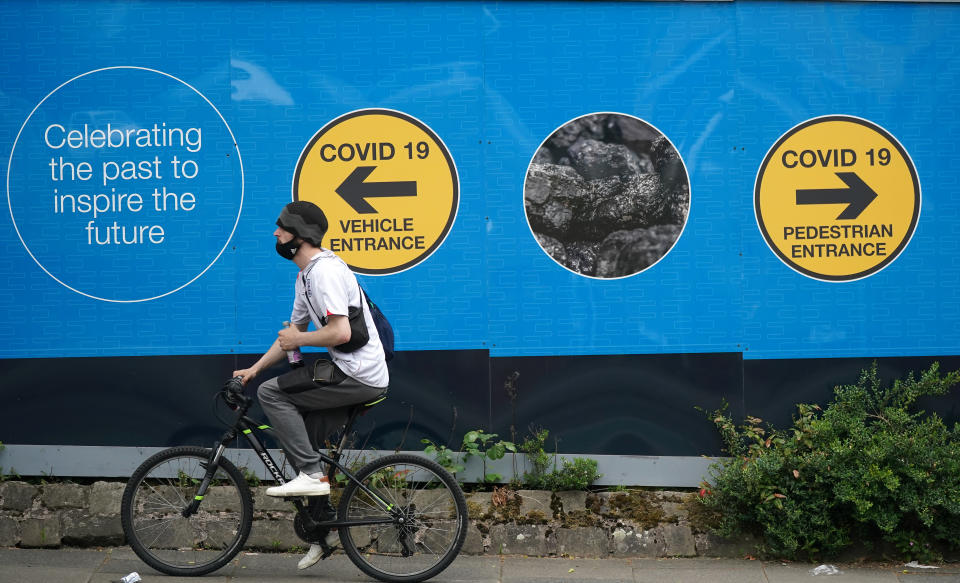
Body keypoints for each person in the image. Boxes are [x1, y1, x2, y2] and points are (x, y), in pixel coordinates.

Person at [232, 200, 389, 569]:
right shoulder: (305, 276)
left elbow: (340, 331)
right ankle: (323, 532)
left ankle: (313, 476)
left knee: (273, 394)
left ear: (300, 237)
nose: (276, 234)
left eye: (282, 228)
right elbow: (293, 332)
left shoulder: (324, 274)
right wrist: (254, 369)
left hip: (359, 374)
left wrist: (296, 342)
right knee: (301, 441)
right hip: (349, 369)